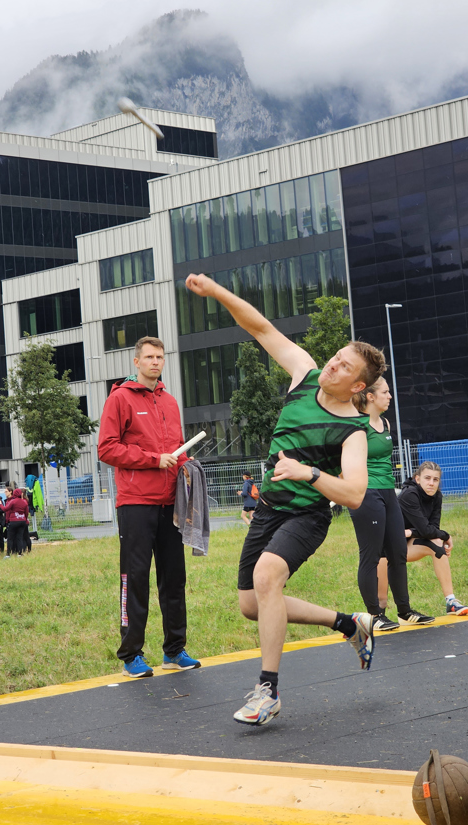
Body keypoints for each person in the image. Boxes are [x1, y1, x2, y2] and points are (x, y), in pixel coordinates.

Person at [186, 272, 386, 726]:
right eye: (336, 358)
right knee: (252, 603)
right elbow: (260, 328)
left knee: (267, 573)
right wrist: (217, 292)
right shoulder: (304, 374)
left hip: (307, 515)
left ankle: (268, 691)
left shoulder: (353, 431)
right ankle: (348, 624)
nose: (333, 366)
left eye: (344, 368)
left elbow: (354, 494)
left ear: (358, 387)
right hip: (270, 509)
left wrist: (309, 472)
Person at [98, 335, 201, 678]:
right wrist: (152, 460)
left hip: (171, 503)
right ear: (136, 362)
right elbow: (107, 449)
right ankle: (131, 655)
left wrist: (186, 465)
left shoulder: (169, 402)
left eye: (160, 356)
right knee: (136, 578)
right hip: (136, 503)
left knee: (174, 578)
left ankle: (174, 650)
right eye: (149, 357)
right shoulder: (120, 399)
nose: (156, 361)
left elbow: (175, 450)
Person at [349, 378, 435, 631]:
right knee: (372, 556)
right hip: (366, 493)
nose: (390, 396)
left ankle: (405, 611)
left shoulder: (385, 422)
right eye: (385, 392)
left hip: (388, 492)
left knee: (397, 552)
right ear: (371, 396)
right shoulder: (356, 425)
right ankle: (374, 615)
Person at [378, 461, 468, 617]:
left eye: (435, 479)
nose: (431, 483)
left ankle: (451, 602)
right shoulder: (409, 495)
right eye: (427, 478)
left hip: (407, 544)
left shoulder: (437, 496)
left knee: (436, 543)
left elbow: (432, 529)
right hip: (386, 549)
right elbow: (426, 529)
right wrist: (447, 535)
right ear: (417, 478)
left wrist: (410, 533)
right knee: (381, 603)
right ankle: (376, 618)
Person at [0, 488, 29, 557]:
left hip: (13, 521)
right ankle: (20, 553)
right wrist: (25, 519)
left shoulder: (13, 501)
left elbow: (5, 509)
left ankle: (8, 554)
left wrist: (0, 504)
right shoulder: (24, 502)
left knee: (10, 538)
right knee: (20, 537)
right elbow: (26, 512)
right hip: (22, 521)